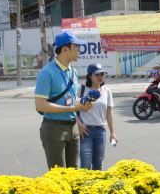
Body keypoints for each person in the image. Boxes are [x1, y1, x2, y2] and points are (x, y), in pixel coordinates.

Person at [35, 30, 93, 170]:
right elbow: (40, 105)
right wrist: (71, 108)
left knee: (73, 173)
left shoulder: (72, 71)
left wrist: (82, 103)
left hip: (72, 127)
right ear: (65, 49)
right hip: (54, 128)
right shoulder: (46, 73)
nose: (79, 50)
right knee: (59, 176)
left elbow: (72, 98)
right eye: (76, 46)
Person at [76, 63, 117, 171]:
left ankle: (96, 187)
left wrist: (112, 133)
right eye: (97, 74)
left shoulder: (107, 91)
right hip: (86, 130)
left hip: (101, 131)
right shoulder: (81, 89)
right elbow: (72, 109)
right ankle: (84, 187)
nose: (100, 77)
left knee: (98, 166)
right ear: (90, 75)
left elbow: (109, 113)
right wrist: (79, 124)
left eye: (102, 74)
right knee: (85, 166)